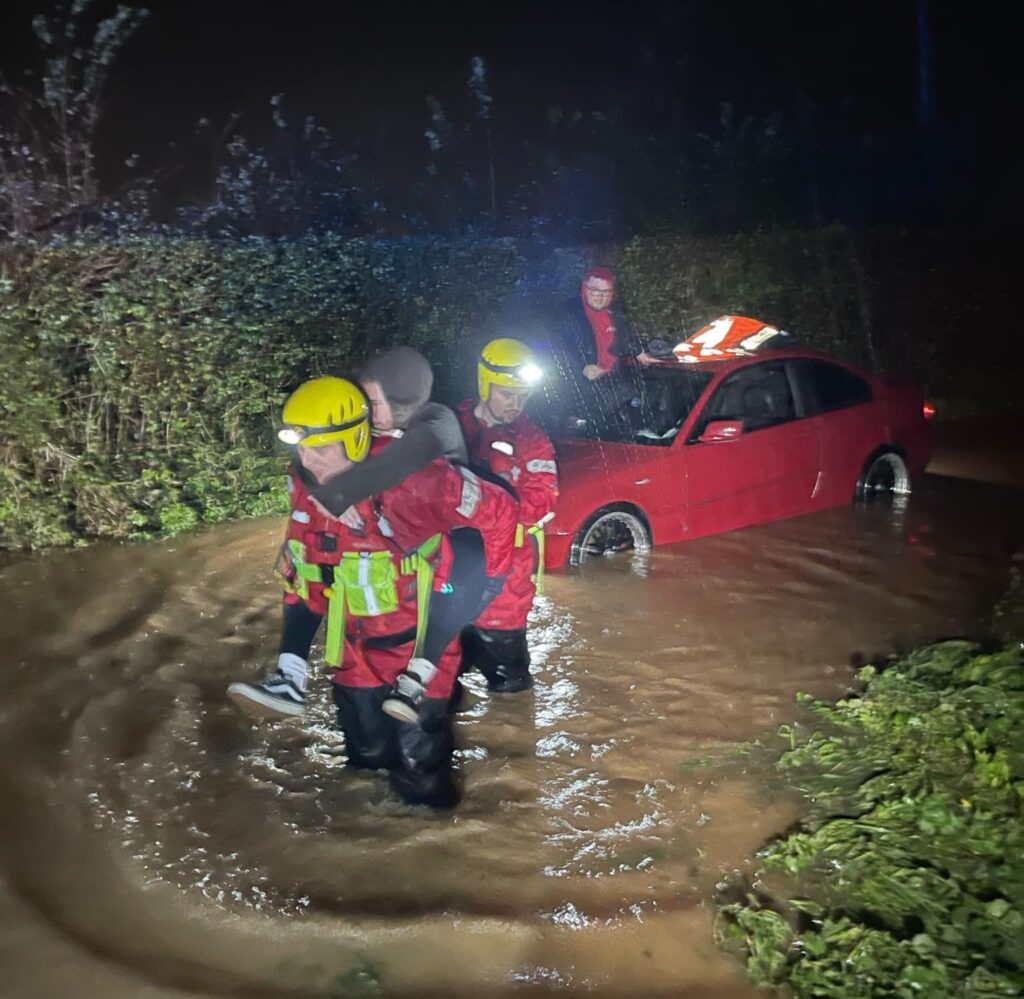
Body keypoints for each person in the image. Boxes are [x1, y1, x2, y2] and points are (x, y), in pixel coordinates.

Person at [227, 376, 516, 807]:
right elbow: (305, 572)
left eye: (321, 449)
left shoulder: (419, 480)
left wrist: (490, 580)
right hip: (354, 654)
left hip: (418, 650)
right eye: (301, 449)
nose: (310, 461)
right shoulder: (306, 485)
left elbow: (501, 509)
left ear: (356, 440)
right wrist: (292, 660)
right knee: (364, 763)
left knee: (422, 779)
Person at [300, 346, 518, 723]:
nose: (364, 411)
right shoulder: (375, 430)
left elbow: (395, 465)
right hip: (401, 559)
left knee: (455, 598)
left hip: (461, 534)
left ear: (403, 402)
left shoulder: (435, 422)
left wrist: (335, 494)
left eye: (372, 402)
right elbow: (308, 449)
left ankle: (423, 673)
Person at [455, 339, 558, 692]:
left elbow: (543, 500)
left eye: (522, 395)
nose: (515, 403)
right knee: (439, 691)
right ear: (485, 384)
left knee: (512, 694)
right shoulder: (451, 424)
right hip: (451, 577)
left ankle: (517, 747)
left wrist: (488, 503)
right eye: (506, 393)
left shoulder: (532, 438)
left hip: (505, 590)